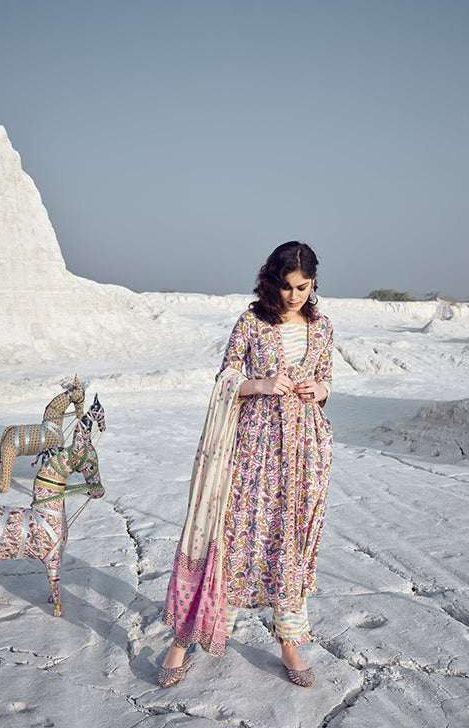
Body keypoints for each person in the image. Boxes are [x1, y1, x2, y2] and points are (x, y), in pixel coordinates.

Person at [160, 241, 333, 688]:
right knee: (234, 537)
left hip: (305, 455)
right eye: (287, 285)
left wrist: (321, 390)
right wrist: (261, 382)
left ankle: (290, 644)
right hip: (254, 451)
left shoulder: (323, 327)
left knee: (288, 547)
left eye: (304, 286)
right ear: (271, 281)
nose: (295, 295)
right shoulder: (251, 323)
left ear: (313, 283)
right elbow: (225, 379)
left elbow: (328, 376)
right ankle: (184, 638)